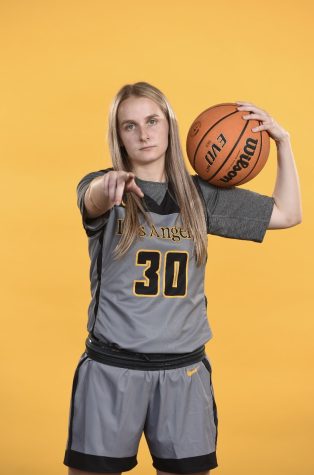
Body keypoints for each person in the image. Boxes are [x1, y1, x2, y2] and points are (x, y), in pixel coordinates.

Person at [63, 82, 302, 475]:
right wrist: (108, 189)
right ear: (118, 137)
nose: (144, 133)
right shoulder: (104, 186)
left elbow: (288, 214)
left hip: (183, 374)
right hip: (111, 369)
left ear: (171, 126)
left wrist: (283, 143)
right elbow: (92, 197)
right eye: (130, 126)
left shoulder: (200, 195)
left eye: (152, 120)